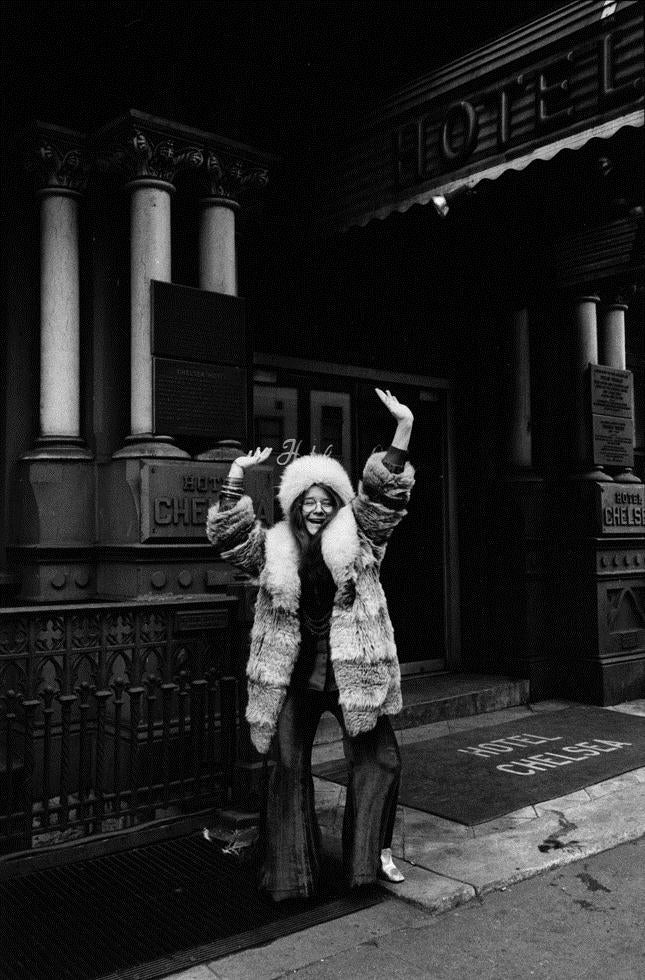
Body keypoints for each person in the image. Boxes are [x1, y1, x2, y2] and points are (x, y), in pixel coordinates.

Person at [206, 388, 414, 899]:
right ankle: (291, 871)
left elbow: (384, 495)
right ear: (295, 507)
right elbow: (230, 538)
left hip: (352, 674)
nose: (318, 510)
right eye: (309, 503)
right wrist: (235, 476)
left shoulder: (361, 537)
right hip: (296, 675)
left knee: (380, 760)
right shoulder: (274, 548)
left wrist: (403, 428)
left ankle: (371, 856)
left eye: (326, 503)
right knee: (286, 766)